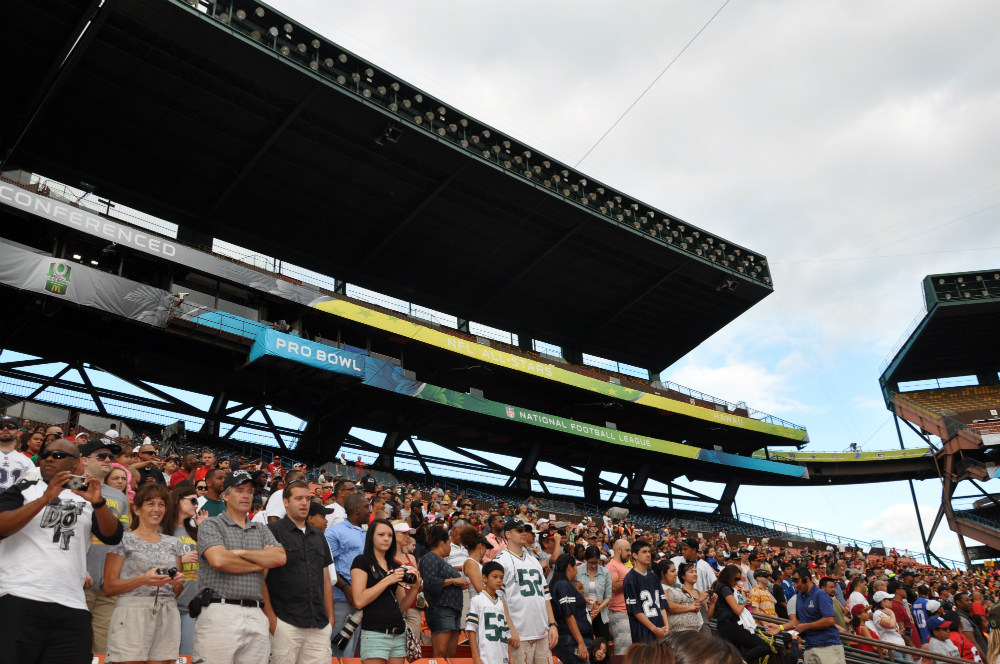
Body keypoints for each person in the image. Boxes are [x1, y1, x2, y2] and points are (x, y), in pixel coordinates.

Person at [0, 437, 124, 662]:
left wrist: (98, 503)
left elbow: (112, 536)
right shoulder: (24, 489)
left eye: (58, 455)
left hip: (72, 603)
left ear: (76, 463)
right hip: (19, 596)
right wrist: (45, 498)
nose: (48, 458)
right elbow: (2, 527)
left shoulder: (86, 496)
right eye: (46, 454)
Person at [193, 469, 287, 664]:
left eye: (250, 491)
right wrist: (259, 562)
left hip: (255, 612)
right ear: (225, 495)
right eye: (239, 490)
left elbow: (279, 557)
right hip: (220, 610)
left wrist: (239, 553)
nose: (246, 495)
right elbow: (219, 561)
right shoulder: (211, 525)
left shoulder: (261, 528)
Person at [102, 483, 185, 663]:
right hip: (132, 612)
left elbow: (177, 591)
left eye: (161, 504)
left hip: (167, 611)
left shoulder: (174, 543)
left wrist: (177, 582)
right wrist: (143, 579)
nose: (156, 509)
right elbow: (108, 587)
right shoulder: (123, 539)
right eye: (150, 503)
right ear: (136, 509)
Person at [264, 480, 336, 664]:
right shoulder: (271, 531)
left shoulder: (319, 536)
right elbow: (260, 578)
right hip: (285, 622)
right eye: (298, 498)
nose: (304, 503)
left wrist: (330, 619)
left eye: (307, 498)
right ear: (286, 502)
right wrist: (272, 620)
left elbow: (326, 579)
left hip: (319, 624)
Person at [79, 436, 130, 655]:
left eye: (111, 456)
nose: (108, 460)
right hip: (78, 581)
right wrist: (78, 567)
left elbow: (124, 539)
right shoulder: (70, 488)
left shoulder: (119, 497)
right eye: (102, 456)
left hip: (108, 585)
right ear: (83, 460)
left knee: (102, 650)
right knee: (72, 646)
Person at [351, 518, 422, 664]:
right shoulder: (362, 561)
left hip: (398, 633)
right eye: (381, 535)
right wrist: (388, 580)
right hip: (375, 633)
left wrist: (414, 589)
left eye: (390, 535)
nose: (386, 539)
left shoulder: (396, 565)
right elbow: (359, 601)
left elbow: (402, 607)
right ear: (371, 537)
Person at [766, 566, 844, 663]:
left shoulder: (821, 594)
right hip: (810, 647)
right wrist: (781, 627)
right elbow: (799, 619)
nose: (795, 585)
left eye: (797, 581)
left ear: (806, 579)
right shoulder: (799, 597)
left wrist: (806, 626)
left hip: (828, 647)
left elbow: (830, 620)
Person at [163, 481, 207, 655]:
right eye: (193, 501)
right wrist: (180, 559)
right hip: (167, 602)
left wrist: (203, 528)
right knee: (164, 652)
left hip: (191, 603)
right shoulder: (162, 529)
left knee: (187, 654)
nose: (196, 505)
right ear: (177, 500)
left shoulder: (194, 531)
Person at [327, 492, 371, 657]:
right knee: (339, 651)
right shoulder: (334, 532)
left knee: (360, 653)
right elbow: (327, 565)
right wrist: (345, 587)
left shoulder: (367, 534)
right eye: (366, 506)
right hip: (341, 601)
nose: (369, 510)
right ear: (356, 509)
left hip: (365, 602)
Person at [421, 524, 472, 657]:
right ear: (443, 543)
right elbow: (430, 582)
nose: (450, 547)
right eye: (449, 543)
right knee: (440, 652)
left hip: (453, 609)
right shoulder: (430, 557)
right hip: (440, 608)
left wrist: (458, 585)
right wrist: (455, 581)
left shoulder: (443, 561)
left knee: (450, 653)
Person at [716, 565, 772, 661]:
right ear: (728, 576)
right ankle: (743, 661)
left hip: (727, 625)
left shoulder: (723, 586)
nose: (737, 581)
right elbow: (737, 610)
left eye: (739, 579)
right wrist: (744, 602)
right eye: (735, 579)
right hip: (729, 625)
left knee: (735, 655)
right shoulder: (724, 587)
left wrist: (743, 602)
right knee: (764, 646)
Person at [467, 560, 518, 664]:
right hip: (486, 656)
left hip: (502, 656)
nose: (499, 580)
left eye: (501, 577)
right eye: (495, 577)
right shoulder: (477, 600)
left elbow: (505, 633)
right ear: (485, 578)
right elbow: (471, 629)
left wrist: (510, 657)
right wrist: (475, 656)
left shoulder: (500, 602)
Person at [550, 553, 594, 664]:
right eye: (575, 567)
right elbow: (568, 616)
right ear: (569, 567)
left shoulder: (563, 585)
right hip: (571, 640)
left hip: (573, 640)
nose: (577, 571)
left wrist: (582, 599)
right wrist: (581, 642)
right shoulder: (563, 585)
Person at [623, 540, 669, 645]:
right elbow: (636, 611)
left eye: (648, 551)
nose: (648, 554)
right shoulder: (630, 579)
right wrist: (654, 629)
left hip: (660, 628)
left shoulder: (654, 576)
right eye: (644, 552)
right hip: (642, 631)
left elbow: (662, 604)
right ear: (635, 555)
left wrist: (666, 626)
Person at [670, 536, 716, 636]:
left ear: (694, 550)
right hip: (681, 607)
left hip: (701, 605)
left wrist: (710, 598)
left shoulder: (704, 565)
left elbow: (713, 584)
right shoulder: (675, 561)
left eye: (686, 549)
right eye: (682, 549)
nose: (682, 551)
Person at [580, 546, 612, 641]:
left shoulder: (605, 572)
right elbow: (574, 592)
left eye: (596, 563)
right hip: (584, 613)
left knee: (602, 643)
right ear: (586, 560)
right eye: (591, 563)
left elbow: (608, 596)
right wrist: (583, 599)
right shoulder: (578, 571)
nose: (593, 566)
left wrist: (599, 608)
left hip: (601, 614)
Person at [667, 561, 710, 632]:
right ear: (683, 576)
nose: (695, 574)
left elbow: (707, 617)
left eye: (696, 572)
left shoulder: (700, 593)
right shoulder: (680, 593)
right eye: (691, 572)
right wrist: (699, 600)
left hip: (705, 628)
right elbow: (686, 613)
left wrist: (713, 603)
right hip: (690, 630)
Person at [607, 539, 633, 655]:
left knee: (628, 651)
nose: (629, 553)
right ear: (618, 550)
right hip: (619, 613)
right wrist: (634, 583)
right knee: (623, 652)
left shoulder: (623, 566)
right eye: (627, 550)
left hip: (627, 613)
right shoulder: (612, 565)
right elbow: (613, 586)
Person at [0, 416, 34, 490]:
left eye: (10, 426)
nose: (5, 428)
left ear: (18, 432)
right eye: (1, 426)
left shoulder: (27, 462)